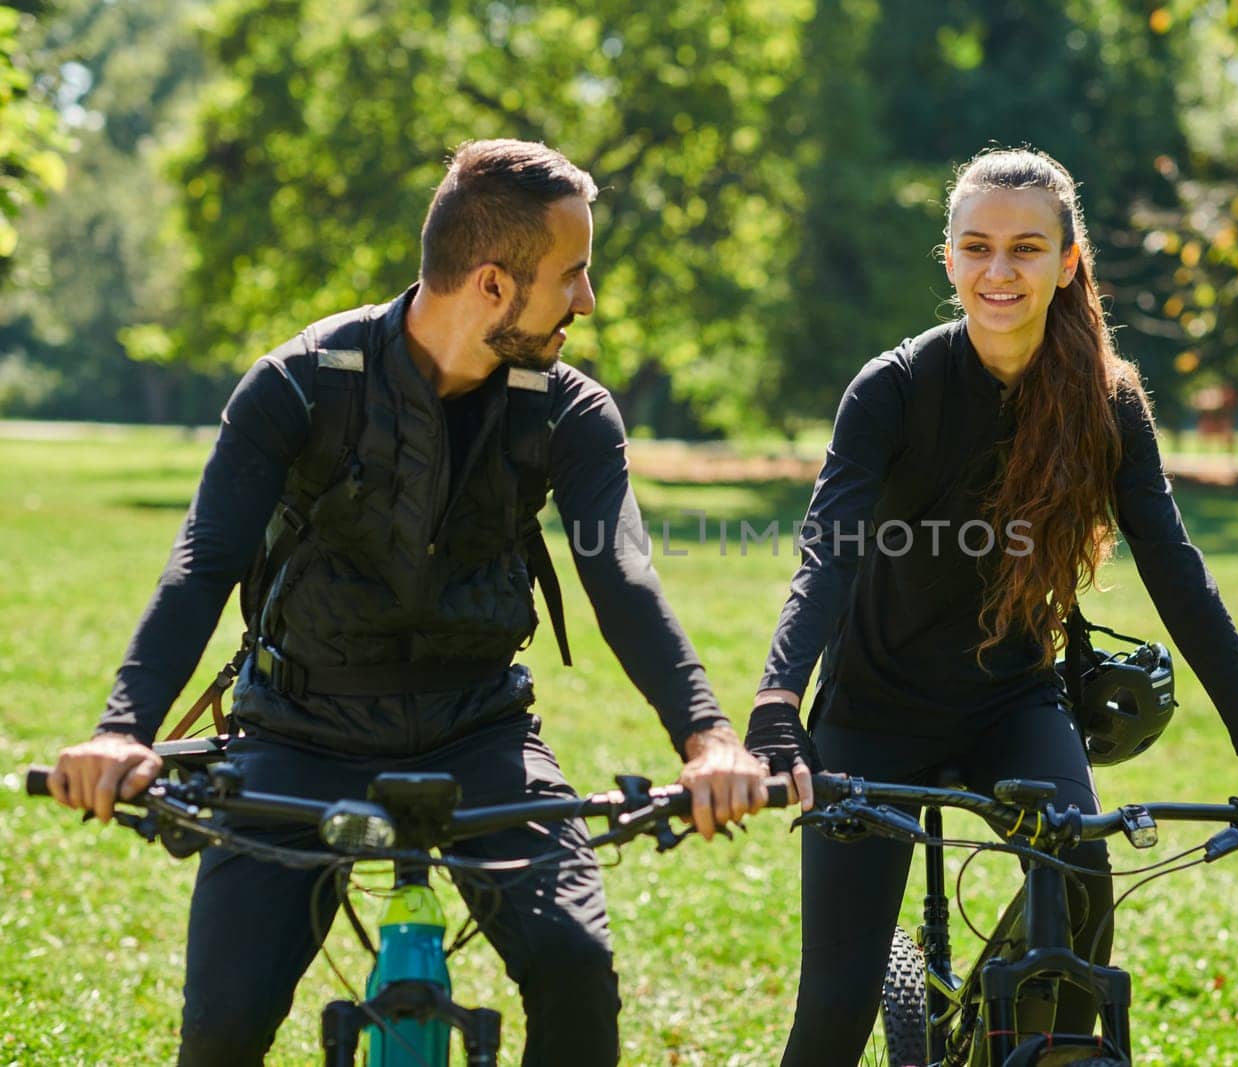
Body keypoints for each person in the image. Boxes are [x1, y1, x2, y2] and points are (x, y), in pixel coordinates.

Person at [44, 139, 770, 1067]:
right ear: (494, 285)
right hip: (297, 733)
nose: (588, 302)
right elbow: (204, 562)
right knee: (222, 1027)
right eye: (574, 275)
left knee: (576, 966)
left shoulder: (570, 410)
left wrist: (707, 736)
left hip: (481, 728)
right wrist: (121, 727)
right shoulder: (298, 384)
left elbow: (620, 577)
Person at [742, 147, 1238, 1066]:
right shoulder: (892, 389)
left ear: (1068, 262)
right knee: (833, 1015)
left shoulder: (1108, 403)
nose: (1000, 271)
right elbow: (827, 552)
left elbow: (1177, 572)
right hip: (873, 709)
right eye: (978, 247)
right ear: (948, 259)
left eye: (1026, 249)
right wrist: (778, 705)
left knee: (1075, 932)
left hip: (1012, 705)